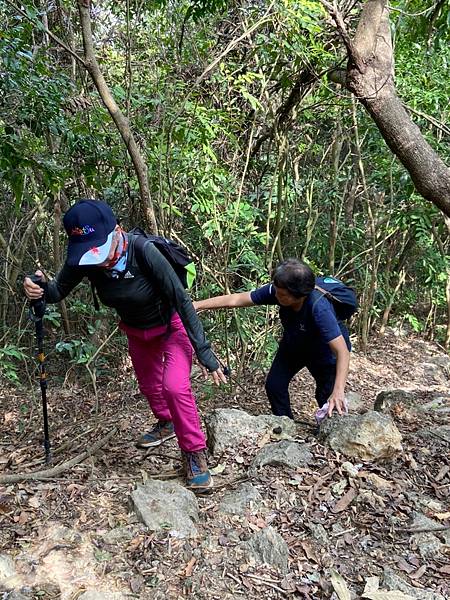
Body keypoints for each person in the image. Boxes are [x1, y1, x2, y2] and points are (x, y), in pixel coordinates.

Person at [24, 199, 226, 492]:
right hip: (136, 331)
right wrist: (37, 285)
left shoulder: (145, 251)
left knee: (175, 387)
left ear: (117, 231)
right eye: (89, 252)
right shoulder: (84, 259)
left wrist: (205, 352)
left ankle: (195, 453)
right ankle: (167, 422)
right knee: (150, 385)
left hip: (171, 327)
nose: (97, 259)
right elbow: (56, 292)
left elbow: (182, 301)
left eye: (100, 249)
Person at [193, 259, 351, 420]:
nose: (275, 295)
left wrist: (338, 390)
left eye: (281, 294)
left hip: (323, 350)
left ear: (299, 295)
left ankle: (328, 433)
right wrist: (197, 305)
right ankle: (285, 426)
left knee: (327, 397)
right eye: (276, 290)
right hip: (294, 344)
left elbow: (342, 352)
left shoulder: (319, 308)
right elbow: (237, 299)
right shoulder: (280, 289)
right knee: (275, 385)